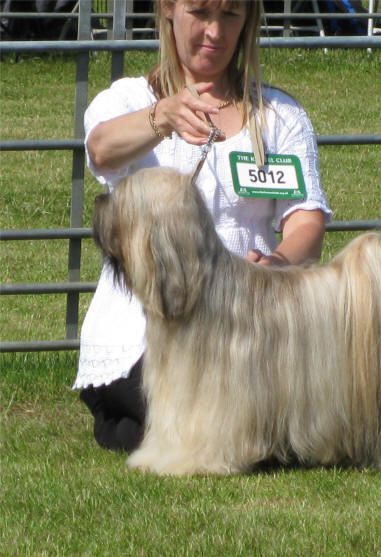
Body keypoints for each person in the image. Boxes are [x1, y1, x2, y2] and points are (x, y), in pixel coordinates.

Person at [73, 0, 332, 453]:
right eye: (201, 13)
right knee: (197, 407)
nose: (215, 32)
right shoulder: (126, 100)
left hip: (248, 323)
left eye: (230, 16)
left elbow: (306, 220)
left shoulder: (280, 116)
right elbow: (101, 149)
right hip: (147, 325)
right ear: (168, 9)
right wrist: (163, 116)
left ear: (249, 20)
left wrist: (277, 262)